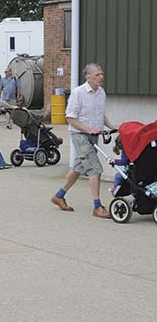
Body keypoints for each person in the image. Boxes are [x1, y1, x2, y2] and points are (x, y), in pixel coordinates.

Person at [51, 63, 117, 218]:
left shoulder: (101, 93)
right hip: (80, 136)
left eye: (101, 74)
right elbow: (70, 118)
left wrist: (111, 125)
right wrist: (88, 130)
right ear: (88, 77)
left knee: (78, 168)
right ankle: (97, 207)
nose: (101, 77)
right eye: (97, 75)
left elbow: (101, 114)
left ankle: (58, 196)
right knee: (95, 169)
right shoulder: (78, 93)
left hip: (94, 136)